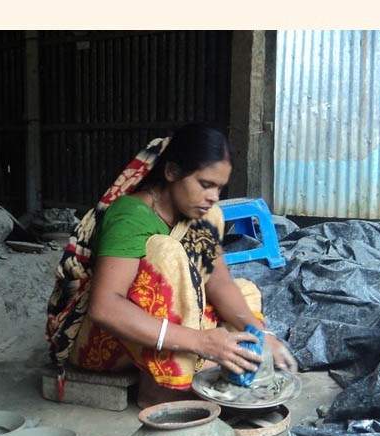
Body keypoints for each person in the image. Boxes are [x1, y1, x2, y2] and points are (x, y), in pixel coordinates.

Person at [46, 123, 296, 408]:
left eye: (219, 187)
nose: (214, 196)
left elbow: (219, 282)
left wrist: (260, 336)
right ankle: (159, 391)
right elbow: (105, 308)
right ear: (171, 173)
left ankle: (198, 371)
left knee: (243, 290)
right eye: (205, 184)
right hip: (100, 344)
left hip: (157, 335)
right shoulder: (132, 216)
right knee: (167, 253)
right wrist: (202, 342)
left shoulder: (204, 216)